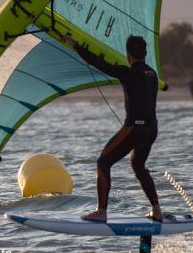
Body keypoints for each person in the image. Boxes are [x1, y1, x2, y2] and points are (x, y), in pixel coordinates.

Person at [63, 33, 164, 223]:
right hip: (152, 129)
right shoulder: (152, 74)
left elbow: (99, 64)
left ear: (128, 55)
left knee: (103, 162)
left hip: (134, 128)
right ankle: (157, 210)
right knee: (138, 165)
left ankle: (101, 212)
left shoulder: (129, 72)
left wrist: (76, 45)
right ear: (144, 53)